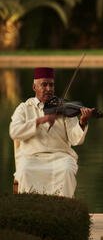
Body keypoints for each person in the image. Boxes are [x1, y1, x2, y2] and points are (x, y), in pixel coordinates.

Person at [9, 67, 93, 197]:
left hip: (61, 156)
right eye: (44, 84)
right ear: (34, 87)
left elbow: (75, 139)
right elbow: (14, 132)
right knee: (25, 170)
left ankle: (63, 208)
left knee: (66, 170)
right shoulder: (24, 108)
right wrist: (39, 121)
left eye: (51, 85)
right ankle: (29, 208)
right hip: (32, 157)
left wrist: (82, 123)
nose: (49, 89)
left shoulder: (63, 107)